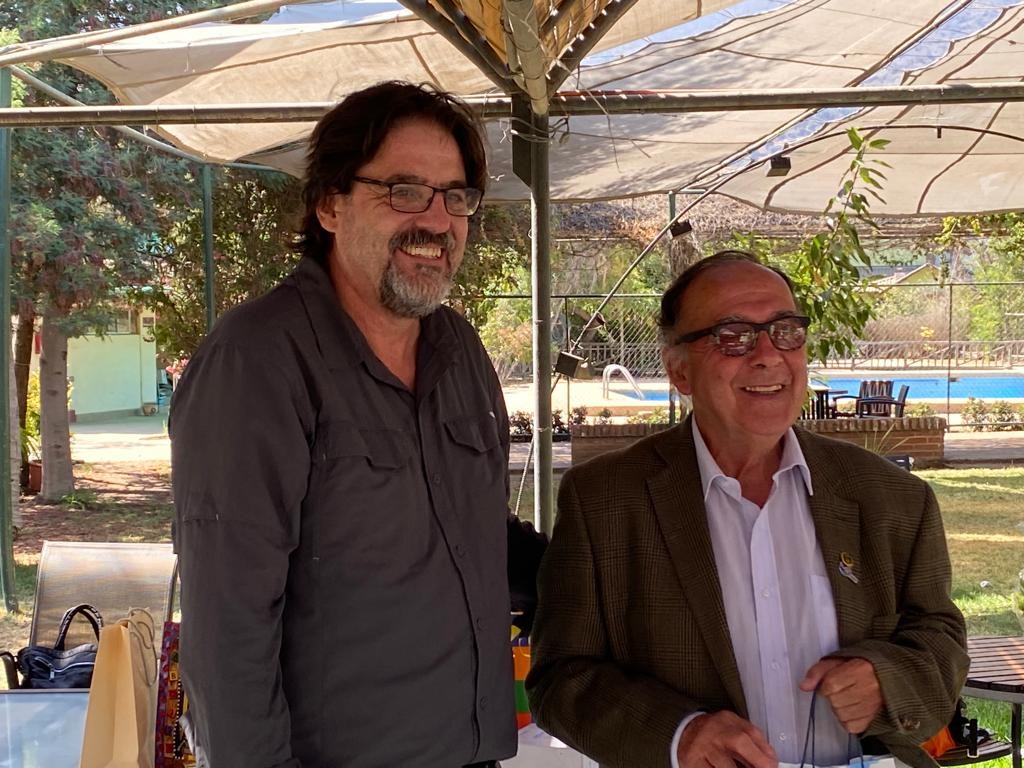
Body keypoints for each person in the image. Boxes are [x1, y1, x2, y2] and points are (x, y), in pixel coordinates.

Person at [170, 81, 545, 768]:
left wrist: (616, 568)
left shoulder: (458, 349)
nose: (437, 221)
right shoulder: (258, 359)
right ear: (329, 205)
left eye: (454, 196)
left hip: (475, 753)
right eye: (405, 191)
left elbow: (476, 536)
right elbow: (228, 627)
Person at [526, 250, 968, 768]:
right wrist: (679, 735)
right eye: (732, 336)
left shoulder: (892, 497)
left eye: (786, 331)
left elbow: (941, 640)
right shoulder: (605, 499)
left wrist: (885, 680)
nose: (767, 355)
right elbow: (560, 679)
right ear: (679, 371)